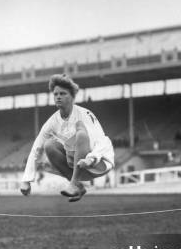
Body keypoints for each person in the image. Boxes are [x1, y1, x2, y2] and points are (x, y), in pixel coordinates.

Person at [20, 74, 114, 202]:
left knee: (80, 132)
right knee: (49, 145)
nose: (58, 97)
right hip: (76, 166)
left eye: (63, 94)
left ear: (72, 97)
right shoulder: (52, 121)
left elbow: (101, 140)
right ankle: (78, 186)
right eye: (55, 94)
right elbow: (36, 148)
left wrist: (91, 159)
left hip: (98, 163)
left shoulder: (85, 114)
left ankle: (74, 184)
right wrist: (26, 180)